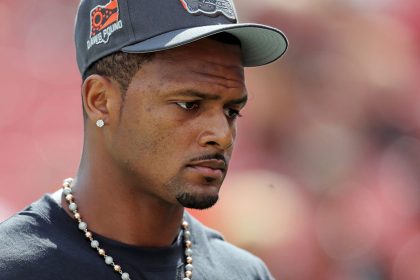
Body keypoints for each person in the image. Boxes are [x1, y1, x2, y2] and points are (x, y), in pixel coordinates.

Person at [0, 0, 287, 279]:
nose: (222, 135)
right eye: (189, 104)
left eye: (232, 110)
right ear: (100, 100)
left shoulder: (244, 273)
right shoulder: (14, 266)